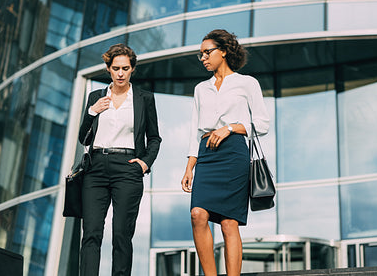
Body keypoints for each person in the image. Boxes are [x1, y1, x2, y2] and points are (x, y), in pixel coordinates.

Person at [181, 29, 270, 275]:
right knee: (197, 214)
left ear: (223, 51)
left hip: (234, 154)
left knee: (229, 223)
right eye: (200, 55)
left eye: (207, 52)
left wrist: (229, 128)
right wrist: (190, 167)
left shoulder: (247, 83)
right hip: (207, 155)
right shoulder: (201, 89)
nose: (203, 58)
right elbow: (193, 130)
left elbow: (262, 124)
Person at [78, 44, 161, 276]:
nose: (121, 73)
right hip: (95, 168)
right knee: (91, 233)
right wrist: (92, 112)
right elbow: (82, 138)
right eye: (116, 68)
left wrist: (145, 163)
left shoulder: (144, 98)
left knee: (122, 234)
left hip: (128, 168)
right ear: (108, 69)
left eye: (125, 68)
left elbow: (154, 138)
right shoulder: (96, 97)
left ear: (132, 69)